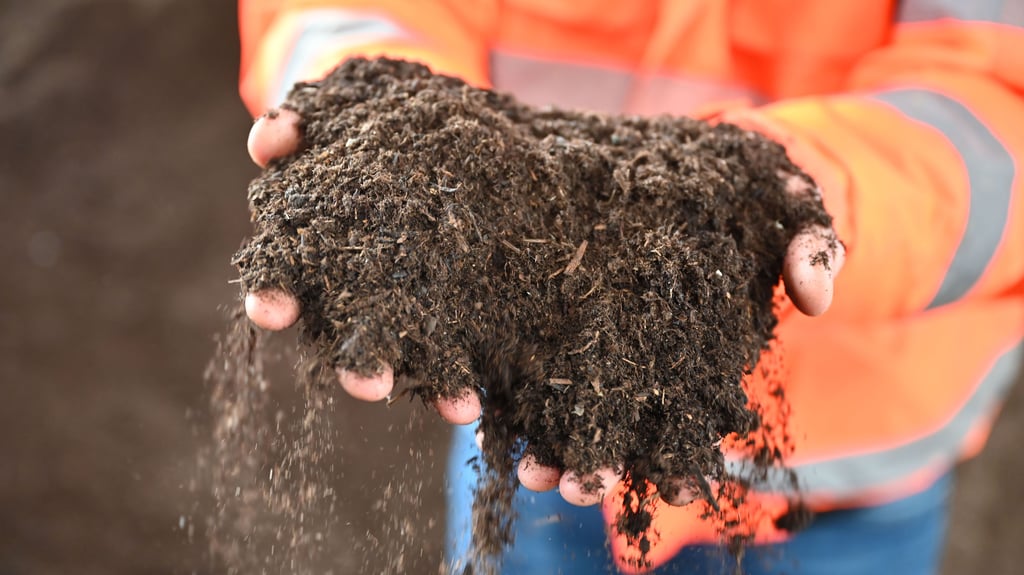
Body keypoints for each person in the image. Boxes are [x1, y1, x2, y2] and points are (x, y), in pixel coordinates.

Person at [236, 1, 1024, 573]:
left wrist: (817, 187)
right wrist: (374, 90)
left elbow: (993, 88)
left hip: (849, 476)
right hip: (533, 395)